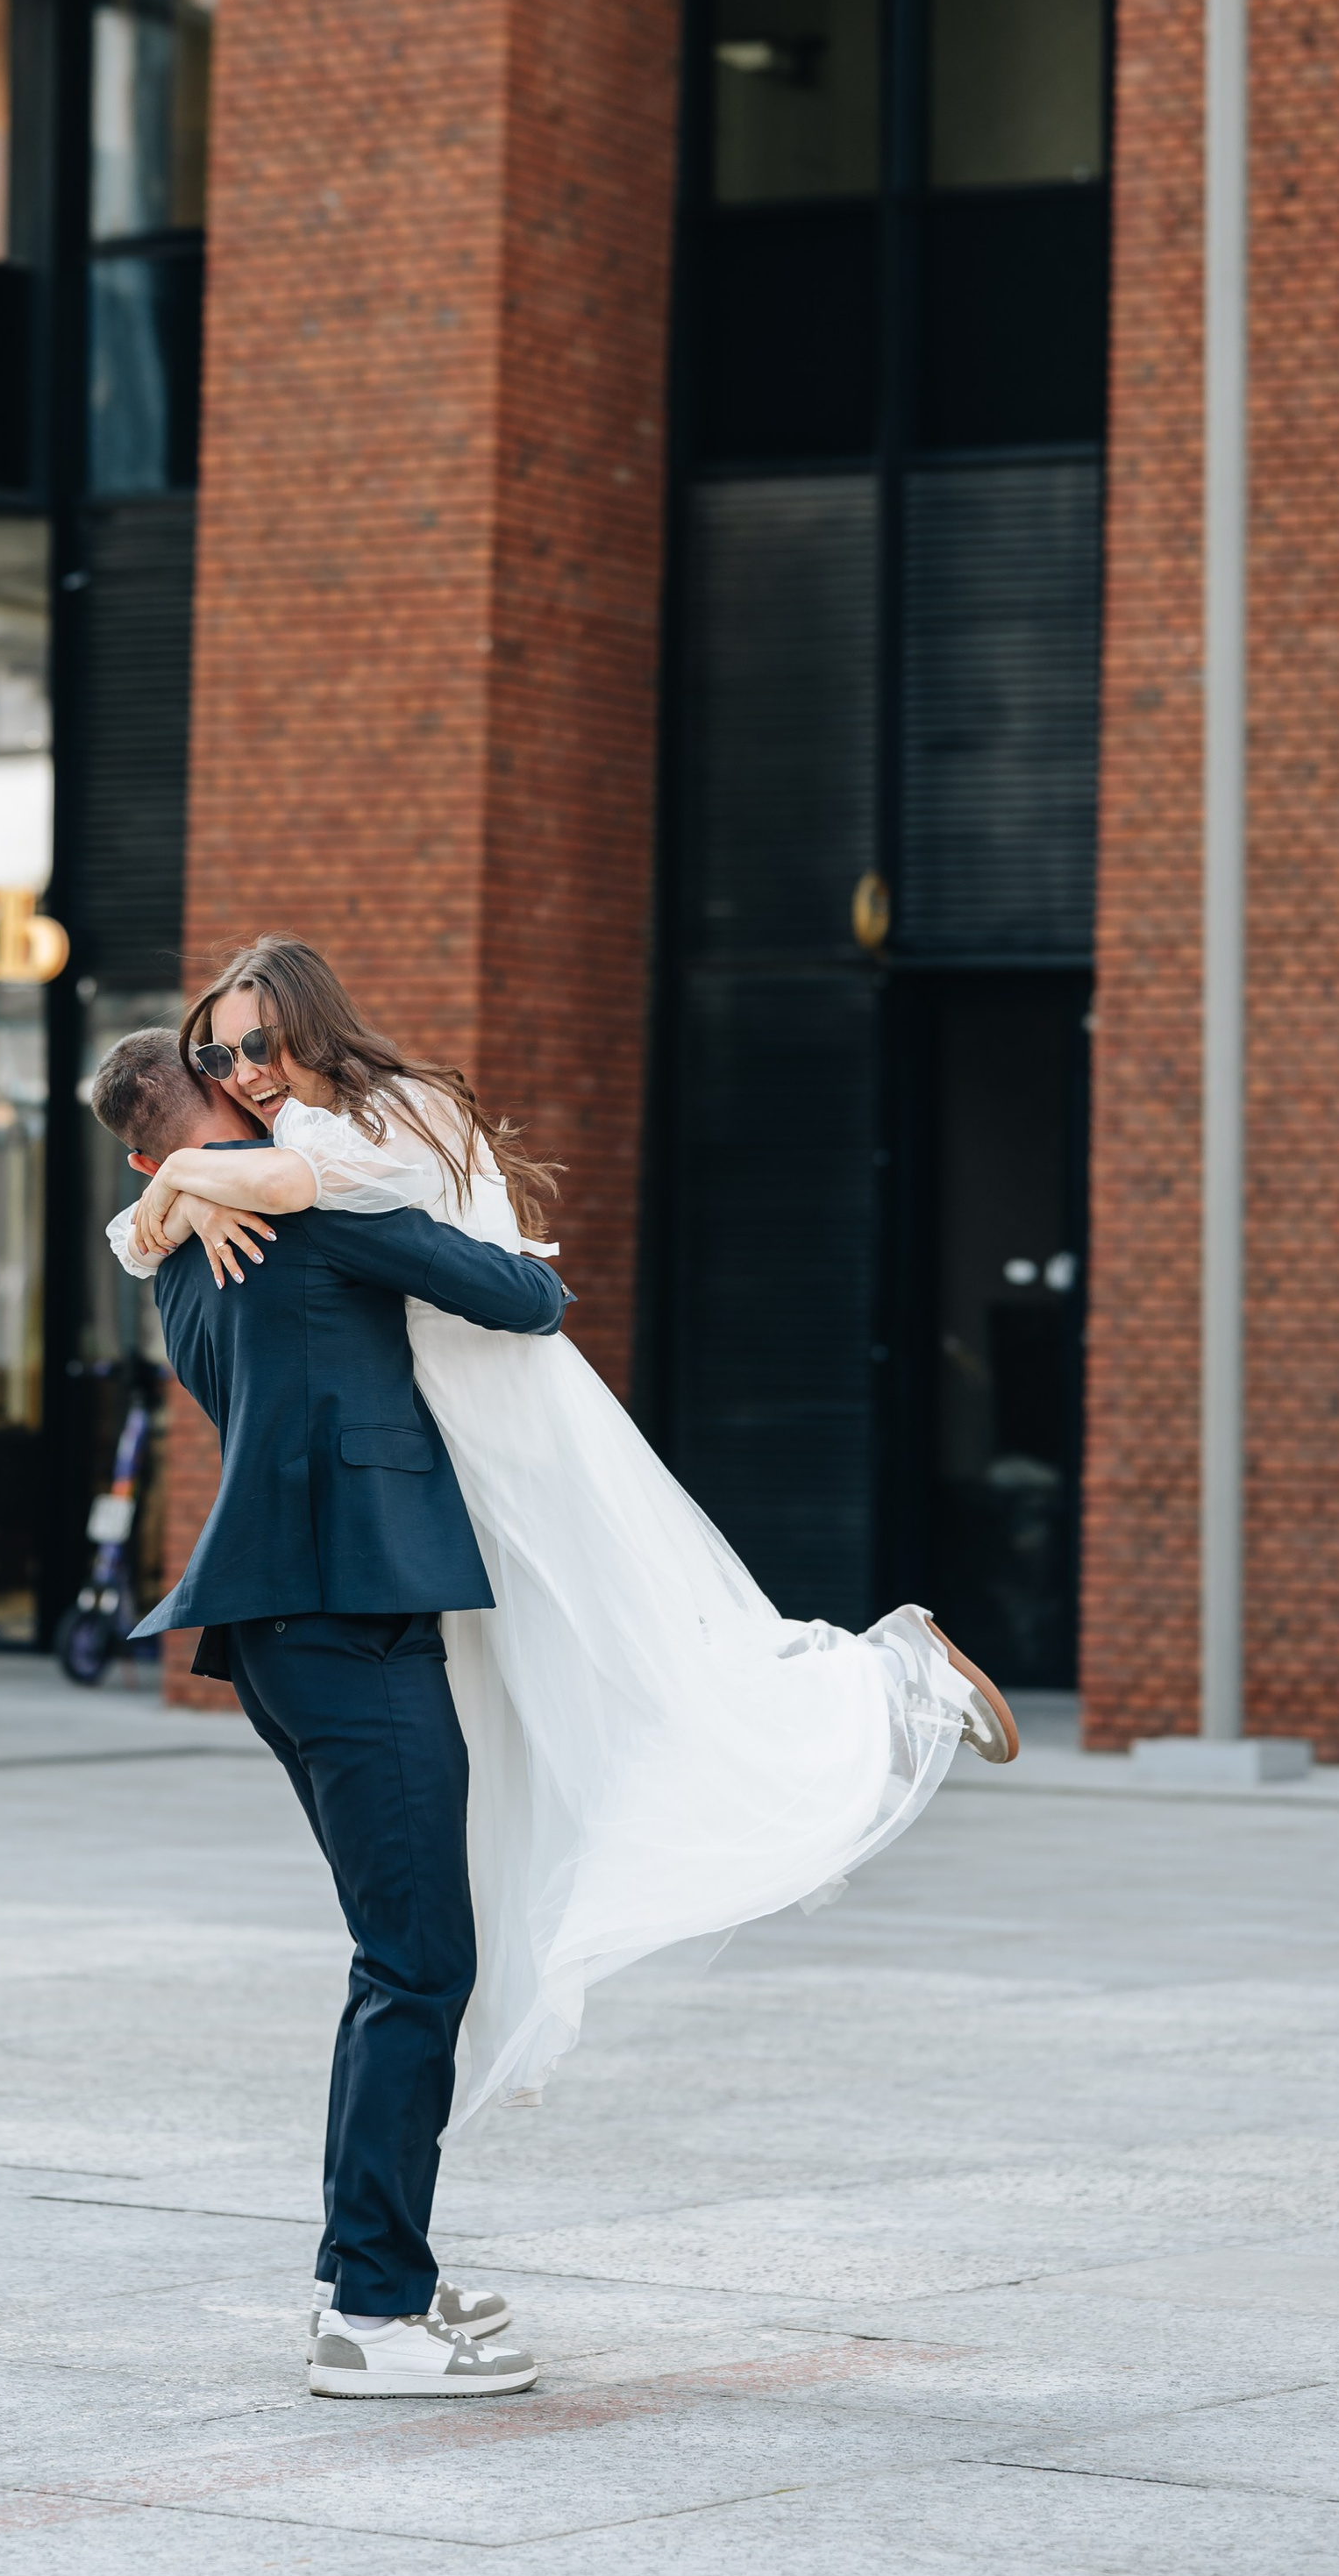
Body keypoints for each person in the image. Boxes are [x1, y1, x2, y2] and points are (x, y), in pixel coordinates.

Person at [107, 936, 1021, 2153]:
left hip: (496, 1432)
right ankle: (439, 2153)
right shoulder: (261, 1181)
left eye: (258, 1044)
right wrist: (185, 1186)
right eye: (218, 1053)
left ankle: (887, 1682)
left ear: (311, 1032)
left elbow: (491, 1284)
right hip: (419, 1491)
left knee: (626, 1667)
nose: (245, 1067)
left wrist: (179, 1185)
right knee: (534, 1741)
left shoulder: (349, 1142)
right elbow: (245, 1208)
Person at [86, 1027, 561, 2402]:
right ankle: (370, 2310)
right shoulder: (314, 1220)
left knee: (399, 1959)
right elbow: (531, 1301)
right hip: (349, 1621)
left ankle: (371, 2267)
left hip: (292, 1628)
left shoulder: (180, 1252)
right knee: (417, 1966)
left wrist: (177, 1192)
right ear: (234, 1107)